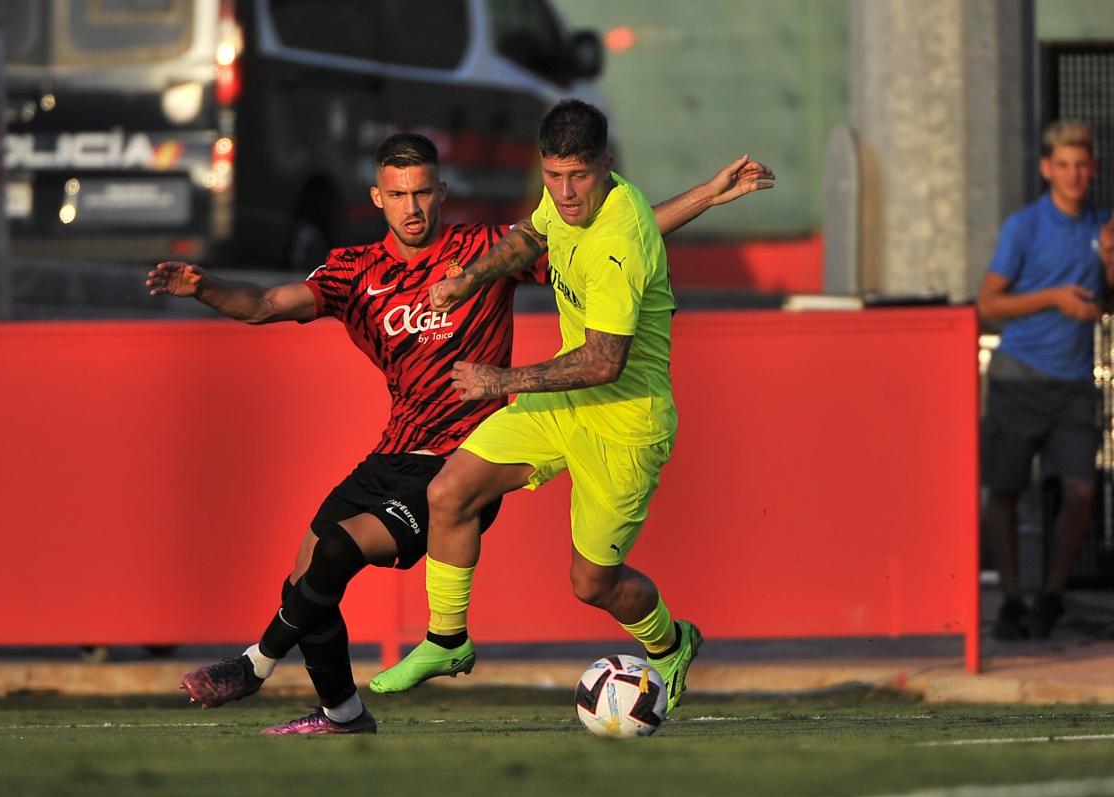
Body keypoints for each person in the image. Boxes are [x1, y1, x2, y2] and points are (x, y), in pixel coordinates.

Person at [147, 133, 774, 735]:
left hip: (459, 456)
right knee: (308, 569)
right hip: (393, 450)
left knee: (339, 552)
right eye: (399, 195)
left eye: (422, 192)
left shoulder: (484, 250)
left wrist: (703, 196)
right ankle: (342, 715)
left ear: (442, 192)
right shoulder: (354, 271)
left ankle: (255, 664)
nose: (412, 207)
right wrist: (204, 289)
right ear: (377, 199)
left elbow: (611, 239)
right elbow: (263, 306)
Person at [370, 100, 743, 715]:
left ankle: (672, 645)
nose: (565, 193)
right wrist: (471, 278)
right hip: (566, 404)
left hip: (625, 425)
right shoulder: (570, 203)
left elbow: (603, 362)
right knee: (450, 493)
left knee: (590, 584)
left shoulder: (619, 244)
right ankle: (447, 640)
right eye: (553, 175)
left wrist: (498, 381)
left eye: (579, 177)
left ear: (607, 167)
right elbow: (530, 236)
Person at [977, 119, 1114, 641]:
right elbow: (988, 303)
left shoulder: (1101, 226)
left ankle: (1051, 595)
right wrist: (1054, 297)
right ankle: (1011, 599)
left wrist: (1108, 265)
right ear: (1046, 169)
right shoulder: (1026, 226)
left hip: (1075, 380)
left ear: (1093, 168)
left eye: (1082, 165)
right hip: (1020, 377)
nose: (1074, 174)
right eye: (1064, 166)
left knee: (1080, 490)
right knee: (1007, 489)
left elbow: (1104, 304)